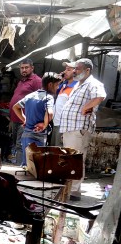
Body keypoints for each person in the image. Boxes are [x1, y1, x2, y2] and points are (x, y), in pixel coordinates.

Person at [58, 58, 107, 200]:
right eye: (74, 68)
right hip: (71, 128)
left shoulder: (93, 83)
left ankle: (73, 191)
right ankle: (72, 189)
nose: (75, 71)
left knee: (75, 159)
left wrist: (87, 107)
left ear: (87, 70)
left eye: (78, 68)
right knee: (72, 159)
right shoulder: (79, 84)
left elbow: (100, 96)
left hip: (78, 128)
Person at [12, 74, 60, 163]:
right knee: (37, 164)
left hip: (26, 134)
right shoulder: (48, 97)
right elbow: (49, 113)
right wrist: (44, 125)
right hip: (39, 135)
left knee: (26, 164)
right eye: (57, 85)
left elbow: (15, 107)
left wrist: (25, 120)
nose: (57, 88)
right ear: (50, 85)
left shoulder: (30, 96)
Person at [8, 58, 42, 163]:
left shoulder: (37, 81)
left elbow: (41, 100)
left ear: (32, 68)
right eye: (22, 68)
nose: (24, 70)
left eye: (26, 67)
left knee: (21, 144)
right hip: (15, 119)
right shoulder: (21, 82)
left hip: (26, 120)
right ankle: (20, 166)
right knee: (17, 144)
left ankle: (20, 169)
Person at [52, 61, 79, 147]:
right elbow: (51, 91)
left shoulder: (76, 87)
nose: (64, 72)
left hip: (64, 126)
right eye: (65, 69)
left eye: (68, 70)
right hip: (56, 123)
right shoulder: (64, 85)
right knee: (54, 149)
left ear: (76, 71)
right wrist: (58, 81)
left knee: (59, 151)